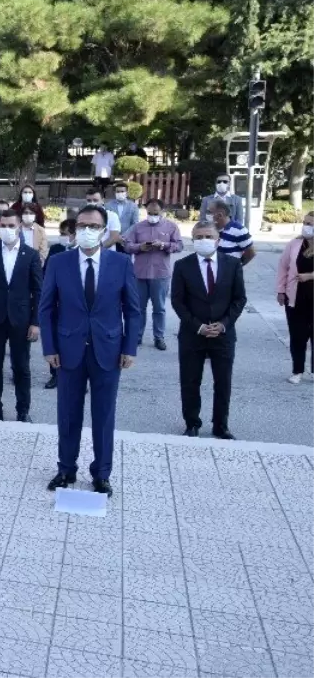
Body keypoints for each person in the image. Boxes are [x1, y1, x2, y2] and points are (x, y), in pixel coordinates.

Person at [39, 204, 141, 496]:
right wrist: (49, 347)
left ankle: (102, 473)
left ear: (104, 230)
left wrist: (130, 347)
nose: (86, 231)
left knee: (104, 415)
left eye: (93, 226)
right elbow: (46, 309)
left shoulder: (121, 264)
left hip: (108, 350)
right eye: (81, 225)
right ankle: (66, 470)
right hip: (68, 349)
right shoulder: (59, 262)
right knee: (68, 415)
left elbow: (133, 311)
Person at [172, 222, 246, 439]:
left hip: (223, 334)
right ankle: (192, 422)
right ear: (193, 239)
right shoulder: (183, 266)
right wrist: (198, 326)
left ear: (218, 239)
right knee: (190, 380)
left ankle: (220, 425)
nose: (204, 240)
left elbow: (239, 298)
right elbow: (178, 301)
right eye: (199, 236)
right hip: (192, 334)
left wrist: (223, 324)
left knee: (223, 382)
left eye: (208, 235)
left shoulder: (232, 264)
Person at [0, 209, 43, 422]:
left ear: (19, 227)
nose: (7, 230)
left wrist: (35, 322)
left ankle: (23, 410)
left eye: (11, 226)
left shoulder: (30, 255)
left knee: (21, 366)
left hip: (21, 319)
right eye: (3, 226)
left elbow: (38, 290)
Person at [122, 199, 183, 350]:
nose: (152, 216)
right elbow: (127, 245)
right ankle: (137, 336)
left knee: (159, 308)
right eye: (149, 213)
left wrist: (164, 245)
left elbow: (179, 245)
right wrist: (139, 247)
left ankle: (159, 337)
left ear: (162, 211)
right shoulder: (138, 227)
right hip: (140, 273)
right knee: (138, 308)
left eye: (155, 213)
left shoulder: (171, 226)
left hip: (160, 273)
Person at [276, 212, 314, 384]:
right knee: (297, 335)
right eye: (305, 222)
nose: (306, 226)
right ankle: (297, 370)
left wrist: (310, 276)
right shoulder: (295, 244)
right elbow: (283, 267)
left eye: (310, 224)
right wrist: (280, 290)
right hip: (296, 297)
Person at [43, 218, 76, 390]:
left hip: (76, 306)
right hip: (57, 301)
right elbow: (46, 273)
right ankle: (55, 374)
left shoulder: (84, 251)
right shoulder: (56, 249)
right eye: (61, 234)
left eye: (66, 234)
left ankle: (77, 377)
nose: (63, 237)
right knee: (55, 338)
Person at [211, 200, 256, 265]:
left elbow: (251, 253)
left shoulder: (239, 230)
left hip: (228, 273)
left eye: (210, 212)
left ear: (220, 215)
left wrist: (237, 267)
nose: (206, 214)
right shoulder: (211, 228)